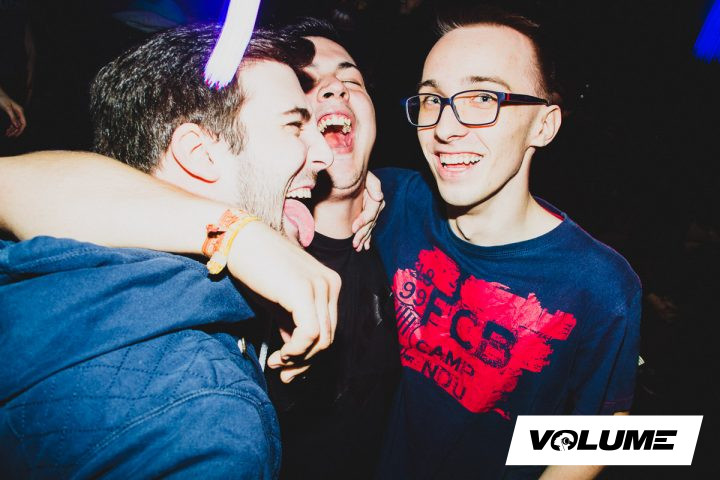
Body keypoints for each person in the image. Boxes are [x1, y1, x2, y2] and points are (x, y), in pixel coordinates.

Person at [0, 23, 339, 478]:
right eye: (294, 126)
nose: (324, 155)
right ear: (199, 153)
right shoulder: (209, 425)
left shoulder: (49, 265)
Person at [371, 6, 641, 479]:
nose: (445, 128)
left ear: (544, 125)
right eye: (432, 99)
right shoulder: (395, 201)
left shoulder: (598, 284)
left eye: (482, 97)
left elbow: (606, 426)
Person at [257, 18, 399, 479]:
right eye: (306, 82)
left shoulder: (411, 215)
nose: (336, 88)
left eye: (351, 80)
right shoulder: (241, 253)